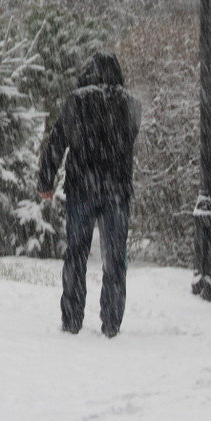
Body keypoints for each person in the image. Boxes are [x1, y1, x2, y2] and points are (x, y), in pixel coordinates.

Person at [37, 52, 141, 338]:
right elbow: (129, 138)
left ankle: (72, 319)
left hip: (82, 188)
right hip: (116, 191)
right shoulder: (131, 105)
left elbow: (57, 140)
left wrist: (46, 180)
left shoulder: (78, 101)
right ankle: (111, 322)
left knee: (76, 254)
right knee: (115, 258)